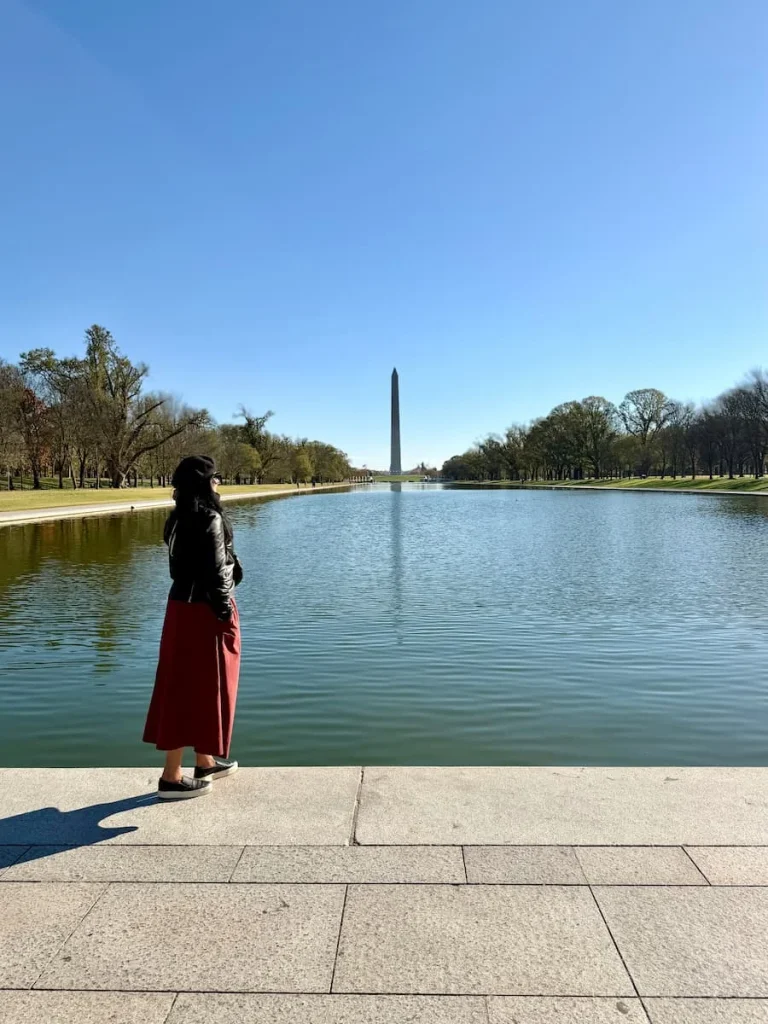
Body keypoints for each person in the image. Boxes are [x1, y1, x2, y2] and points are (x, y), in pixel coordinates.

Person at [143, 455, 243, 799]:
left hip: (179, 609)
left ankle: (204, 760)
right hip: (204, 612)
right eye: (216, 479)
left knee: (183, 684)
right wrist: (225, 613)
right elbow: (216, 573)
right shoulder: (210, 518)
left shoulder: (175, 519)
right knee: (198, 688)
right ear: (204, 484)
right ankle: (171, 777)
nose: (219, 484)